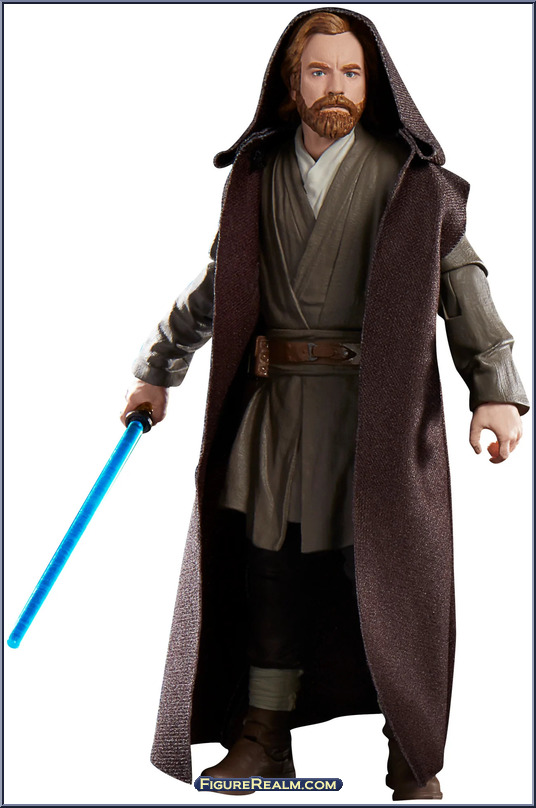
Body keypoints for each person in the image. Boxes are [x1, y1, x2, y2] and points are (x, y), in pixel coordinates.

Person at [121, 9, 528, 800]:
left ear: (374, 85)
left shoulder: (409, 181)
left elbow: (461, 282)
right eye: (318, 71)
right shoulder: (259, 173)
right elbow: (218, 286)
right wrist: (158, 369)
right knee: (269, 570)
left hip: (373, 416)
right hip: (276, 414)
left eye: (350, 72)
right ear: (292, 81)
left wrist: (495, 391)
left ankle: (411, 752)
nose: (334, 87)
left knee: (385, 574)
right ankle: (263, 737)